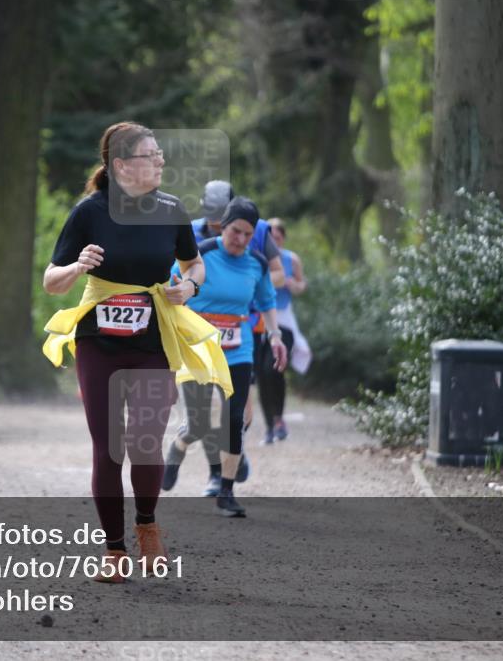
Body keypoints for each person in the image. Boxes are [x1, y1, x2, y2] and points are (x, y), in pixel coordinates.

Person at [42, 122, 232, 582]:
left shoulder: (170, 209)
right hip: (98, 342)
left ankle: (147, 525)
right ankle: (113, 551)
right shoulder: (90, 212)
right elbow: (51, 282)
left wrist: (189, 285)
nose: (161, 161)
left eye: (161, 153)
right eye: (151, 155)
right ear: (122, 165)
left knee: (145, 442)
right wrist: (76, 266)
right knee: (108, 448)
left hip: (152, 341)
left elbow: (194, 263)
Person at [161, 197, 287, 517]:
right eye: (235, 232)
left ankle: (226, 493)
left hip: (237, 351)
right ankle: (177, 450)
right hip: (198, 349)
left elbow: (267, 301)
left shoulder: (256, 263)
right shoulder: (200, 253)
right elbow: (172, 287)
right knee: (199, 425)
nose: (241, 240)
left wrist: (274, 337)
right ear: (222, 226)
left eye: (248, 234)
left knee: (234, 421)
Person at [256, 218, 312, 444]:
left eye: (277, 238)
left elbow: (301, 285)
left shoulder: (291, 259)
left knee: (273, 369)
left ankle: (279, 418)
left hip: (283, 321)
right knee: (260, 373)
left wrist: (291, 284)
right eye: (270, 238)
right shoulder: (256, 257)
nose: (274, 241)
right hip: (257, 321)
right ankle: (269, 427)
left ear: (283, 238)